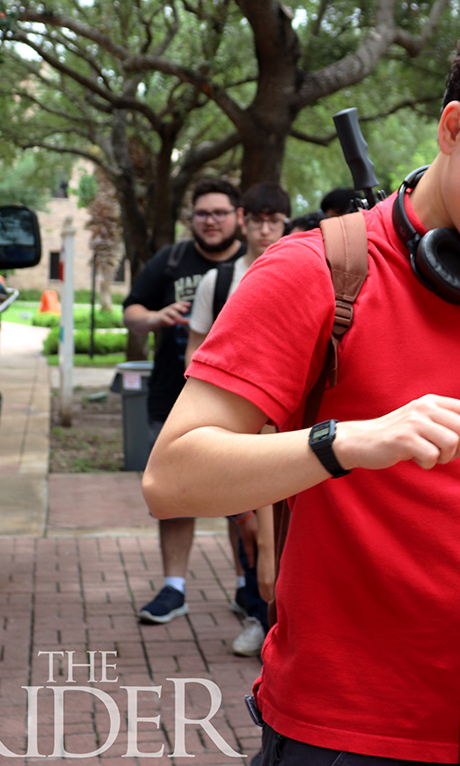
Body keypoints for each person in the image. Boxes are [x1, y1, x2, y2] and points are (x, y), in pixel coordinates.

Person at [145, 13, 460, 765]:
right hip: (346, 729)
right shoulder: (315, 273)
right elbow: (172, 475)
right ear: (452, 127)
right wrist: (352, 442)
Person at [124, 177, 246, 625]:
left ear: (238, 217)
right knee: (174, 495)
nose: (210, 221)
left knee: (245, 498)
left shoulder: (258, 263)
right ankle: (174, 589)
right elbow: (131, 311)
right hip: (171, 396)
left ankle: (246, 586)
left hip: (240, 404)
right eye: (202, 213)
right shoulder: (171, 260)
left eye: (219, 212)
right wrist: (156, 317)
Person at [184, 182, 289, 656]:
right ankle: (254, 609)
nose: (266, 229)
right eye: (258, 220)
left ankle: (276, 616)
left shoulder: (302, 271)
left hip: (285, 425)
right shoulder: (220, 282)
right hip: (235, 424)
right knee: (248, 526)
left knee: (283, 527)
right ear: (244, 221)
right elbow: (197, 350)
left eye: (275, 220)